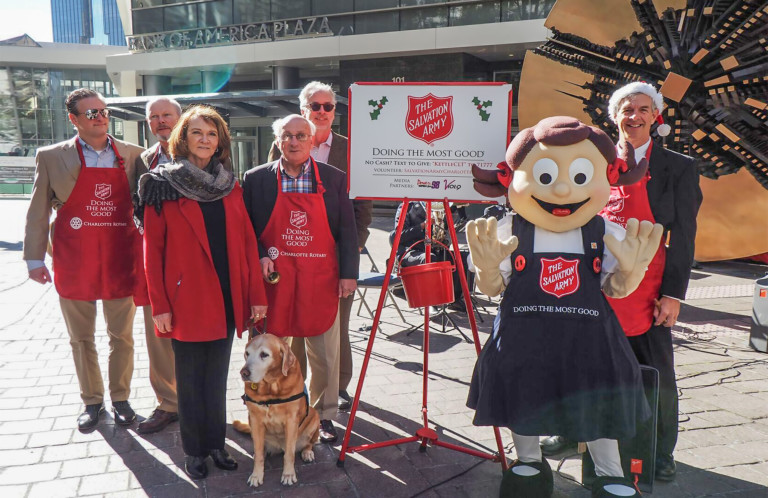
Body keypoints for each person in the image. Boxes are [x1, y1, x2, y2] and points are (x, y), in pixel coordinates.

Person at [467, 116, 663, 497]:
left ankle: (609, 473)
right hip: (524, 338)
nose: (559, 188)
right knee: (522, 392)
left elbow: (616, 289)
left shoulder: (602, 230)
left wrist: (632, 269)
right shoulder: (509, 230)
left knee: (601, 395)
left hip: (589, 340)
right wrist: (487, 267)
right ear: (511, 178)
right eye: (543, 176)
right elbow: (491, 288)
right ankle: (528, 460)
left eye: (577, 177)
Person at [540, 84, 703, 483]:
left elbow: (683, 236)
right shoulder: (593, 161)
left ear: (655, 116)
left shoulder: (679, 167)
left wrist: (673, 295)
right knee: (581, 365)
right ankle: (573, 433)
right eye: (627, 109)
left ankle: (660, 451)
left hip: (648, 290)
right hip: (593, 286)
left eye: (644, 109)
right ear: (614, 116)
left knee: (655, 373)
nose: (635, 116)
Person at [138, 105, 268, 480]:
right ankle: (194, 450)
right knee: (191, 381)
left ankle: (215, 444)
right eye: (197, 133)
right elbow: (153, 252)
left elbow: (246, 242)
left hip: (227, 297)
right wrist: (160, 305)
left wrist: (256, 296)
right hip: (186, 300)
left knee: (217, 378)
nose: (205, 140)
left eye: (212, 134)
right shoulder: (162, 183)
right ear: (184, 137)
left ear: (220, 141)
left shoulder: (230, 184)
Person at [23, 88, 144, 432]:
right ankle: (92, 402)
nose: (100, 117)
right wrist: (34, 259)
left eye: (103, 111)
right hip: (74, 257)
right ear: (74, 120)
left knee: (122, 336)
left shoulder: (133, 155)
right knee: (81, 337)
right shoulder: (50, 156)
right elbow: (38, 211)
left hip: (121, 257)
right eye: (91, 113)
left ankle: (121, 398)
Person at [242, 114, 359, 444]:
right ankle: (267, 407)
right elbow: (246, 228)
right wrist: (261, 251)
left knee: (325, 352)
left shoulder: (334, 179)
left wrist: (349, 274)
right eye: (287, 136)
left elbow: (347, 231)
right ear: (277, 141)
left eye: (301, 136)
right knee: (269, 351)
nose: (294, 142)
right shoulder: (256, 179)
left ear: (312, 140)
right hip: (274, 281)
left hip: (320, 278)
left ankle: (324, 415)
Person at [268, 81, 373, 411]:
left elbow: (362, 207)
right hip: (291, 257)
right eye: (316, 106)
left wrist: (351, 253)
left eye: (329, 106)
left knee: (334, 326)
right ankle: (296, 386)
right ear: (304, 110)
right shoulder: (284, 144)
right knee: (293, 324)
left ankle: (335, 389)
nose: (324, 112)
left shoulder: (350, 149)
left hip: (333, 255)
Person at [135, 96, 182, 434]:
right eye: (154, 116)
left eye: (167, 115)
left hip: (194, 259)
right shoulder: (143, 159)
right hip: (156, 256)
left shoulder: (202, 150)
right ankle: (168, 403)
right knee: (158, 335)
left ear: (181, 118)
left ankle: (198, 402)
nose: (161, 120)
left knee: (197, 334)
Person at [391, 201, 465, 311]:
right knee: (429, 258)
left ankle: (455, 298)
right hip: (410, 250)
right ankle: (431, 303)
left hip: (433, 248)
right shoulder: (407, 206)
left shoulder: (438, 206)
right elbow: (398, 236)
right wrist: (422, 226)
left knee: (459, 258)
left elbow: (442, 231)